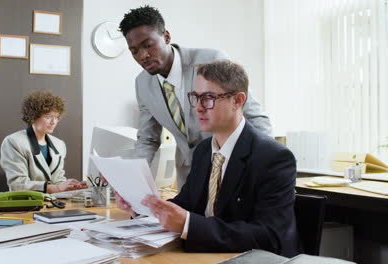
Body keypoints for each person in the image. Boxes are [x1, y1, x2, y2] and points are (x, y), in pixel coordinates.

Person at [116, 61, 301, 257]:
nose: (198, 108)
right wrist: (143, 207)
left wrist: (188, 224)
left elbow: (268, 236)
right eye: (195, 97)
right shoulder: (203, 151)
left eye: (209, 98)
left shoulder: (274, 157)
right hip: (208, 255)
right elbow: (185, 205)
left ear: (237, 100)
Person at [119, 6, 272, 189]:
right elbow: (147, 138)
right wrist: (133, 183)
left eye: (148, 45)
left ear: (166, 37)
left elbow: (254, 117)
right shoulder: (142, 83)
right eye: (134, 51)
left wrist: (263, 167)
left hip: (231, 167)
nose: (143, 55)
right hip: (190, 176)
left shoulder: (210, 60)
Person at [0, 91, 88, 193]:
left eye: (56, 117)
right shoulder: (14, 142)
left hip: (53, 203)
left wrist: (71, 186)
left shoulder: (59, 145)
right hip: (27, 203)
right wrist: (55, 188)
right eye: (48, 117)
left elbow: (57, 180)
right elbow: (18, 184)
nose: (53, 122)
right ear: (33, 116)